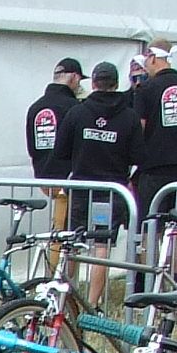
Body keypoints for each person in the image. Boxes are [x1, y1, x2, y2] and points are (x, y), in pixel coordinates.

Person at [128, 38, 177, 282]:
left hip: (153, 168)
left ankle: (147, 281)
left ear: (152, 58)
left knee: (150, 226)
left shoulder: (146, 91)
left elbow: (138, 129)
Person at [52, 60, 139, 264]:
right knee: (102, 245)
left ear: (93, 84)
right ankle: (94, 297)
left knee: (72, 242)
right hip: (112, 189)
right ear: (116, 84)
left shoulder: (77, 112)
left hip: (82, 186)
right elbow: (138, 156)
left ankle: (67, 294)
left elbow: (60, 151)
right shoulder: (130, 116)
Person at [24, 57, 84, 179]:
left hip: (43, 177)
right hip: (69, 179)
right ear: (75, 77)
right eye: (79, 81)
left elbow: (31, 148)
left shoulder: (35, 107)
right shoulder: (75, 108)